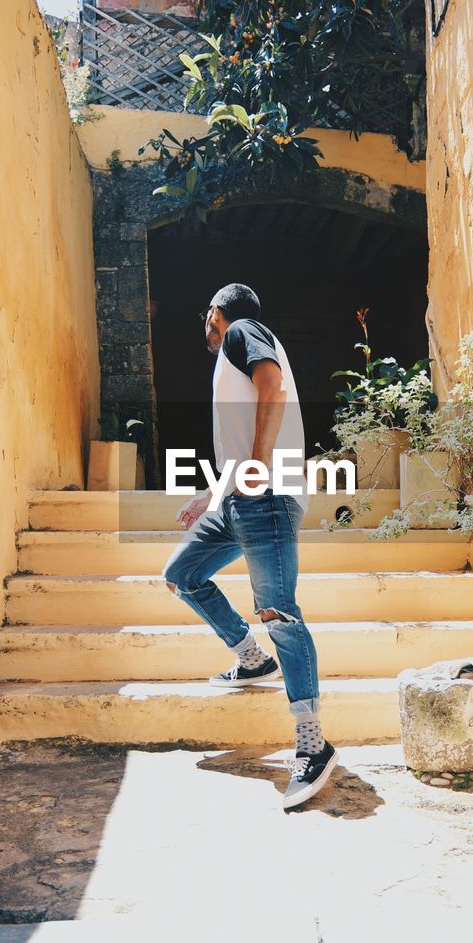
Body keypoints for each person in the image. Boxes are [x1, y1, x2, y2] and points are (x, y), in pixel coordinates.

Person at [163, 283, 338, 810]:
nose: (207, 324)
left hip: (266, 496)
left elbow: (273, 385)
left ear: (216, 313)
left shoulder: (242, 332)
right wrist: (210, 493)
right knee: (181, 573)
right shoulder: (232, 360)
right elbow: (241, 446)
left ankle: (313, 743)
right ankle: (251, 658)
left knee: (280, 611)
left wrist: (260, 462)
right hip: (238, 500)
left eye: (206, 316)